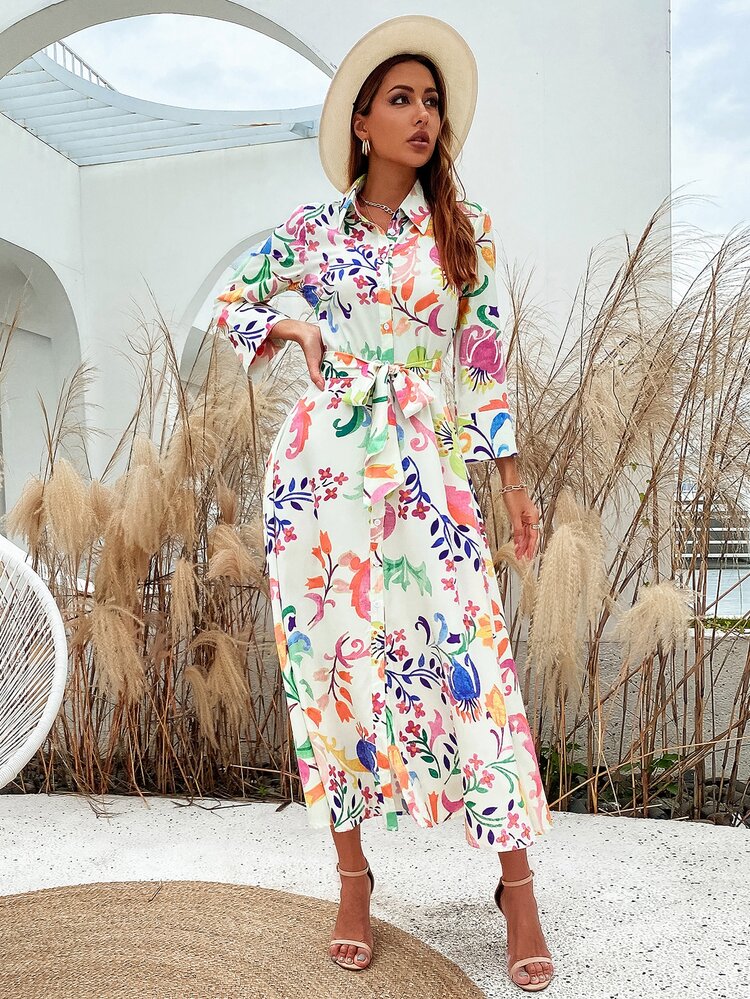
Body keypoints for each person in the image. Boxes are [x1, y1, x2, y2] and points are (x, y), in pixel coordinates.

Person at [212, 14, 554, 992]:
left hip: (426, 468)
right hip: (320, 474)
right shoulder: (310, 232)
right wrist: (290, 328)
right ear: (361, 123)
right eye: (400, 99)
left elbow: (481, 367)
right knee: (332, 669)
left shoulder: (462, 229)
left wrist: (511, 481)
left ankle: (517, 887)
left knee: (473, 665)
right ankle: (354, 881)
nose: (421, 114)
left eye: (431, 100)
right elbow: (231, 304)